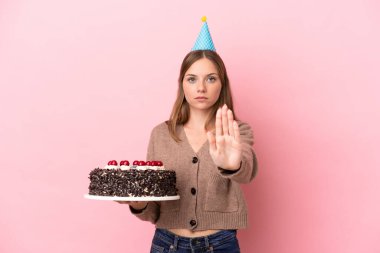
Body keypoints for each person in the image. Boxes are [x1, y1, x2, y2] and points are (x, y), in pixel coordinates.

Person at [117, 17, 258, 253]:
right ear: (182, 84)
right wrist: (139, 202)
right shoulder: (161, 135)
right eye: (192, 79)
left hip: (219, 244)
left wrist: (232, 165)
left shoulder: (236, 131)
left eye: (210, 78)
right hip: (166, 244)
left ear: (221, 84)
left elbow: (247, 168)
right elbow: (153, 210)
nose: (200, 87)